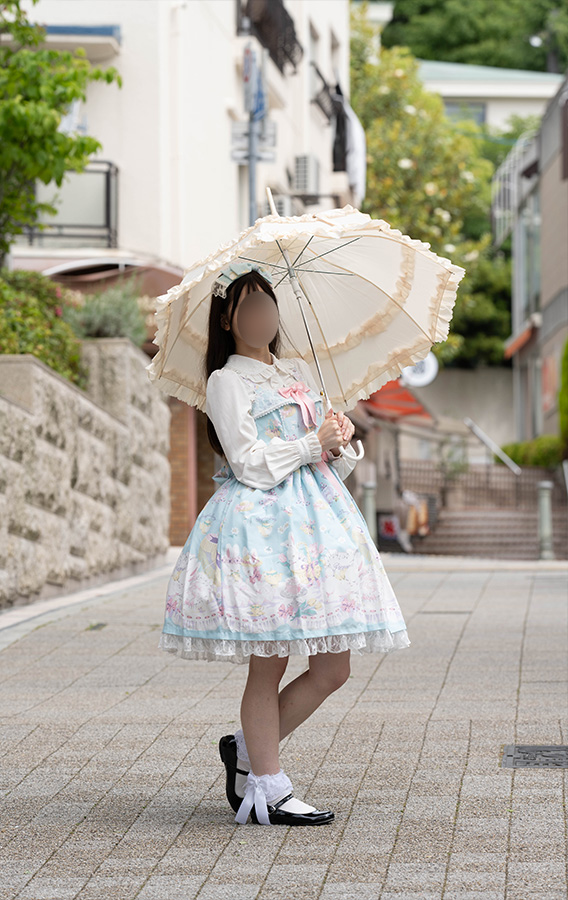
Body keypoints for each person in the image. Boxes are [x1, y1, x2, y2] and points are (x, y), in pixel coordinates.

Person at [157, 260, 411, 826]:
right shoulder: (226, 380)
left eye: (267, 306)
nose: (260, 316)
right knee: (268, 663)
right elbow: (246, 463)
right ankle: (267, 785)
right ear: (229, 317)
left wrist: (338, 442)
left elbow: (331, 467)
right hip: (261, 531)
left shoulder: (298, 371)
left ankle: (247, 751)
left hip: (319, 525)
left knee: (333, 668)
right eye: (247, 307)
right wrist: (308, 443)